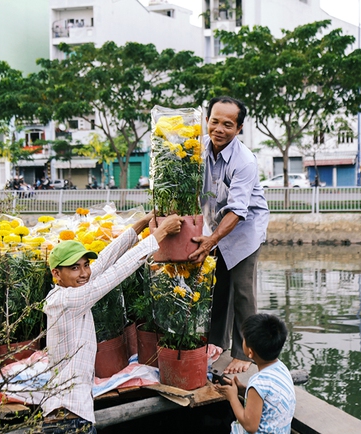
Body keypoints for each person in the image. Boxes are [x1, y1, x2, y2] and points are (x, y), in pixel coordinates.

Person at [41, 211, 184, 434]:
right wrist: (161, 233)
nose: (83, 273)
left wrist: (143, 223)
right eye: (74, 268)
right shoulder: (69, 300)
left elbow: (106, 260)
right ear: (56, 274)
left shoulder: (68, 292)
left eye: (84, 265)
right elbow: (115, 274)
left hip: (71, 415)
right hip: (69, 421)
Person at [189, 96, 269, 374]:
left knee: (242, 290)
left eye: (227, 124)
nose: (219, 129)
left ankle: (246, 354)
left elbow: (237, 210)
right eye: (214, 121)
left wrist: (210, 241)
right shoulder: (197, 149)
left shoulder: (245, 160)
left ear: (239, 128)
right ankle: (216, 344)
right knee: (218, 286)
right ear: (206, 120)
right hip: (217, 228)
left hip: (245, 229)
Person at [214, 314, 296, 434]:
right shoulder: (282, 368)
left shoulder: (258, 382)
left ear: (250, 352)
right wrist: (242, 390)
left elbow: (250, 426)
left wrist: (232, 397)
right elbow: (268, 397)